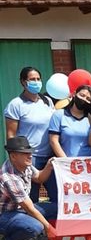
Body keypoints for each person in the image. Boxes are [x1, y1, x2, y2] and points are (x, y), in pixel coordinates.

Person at [4, 67, 56, 203]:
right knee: (30, 199)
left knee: (58, 196)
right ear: (23, 82)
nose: (36, 82)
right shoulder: (16, 105)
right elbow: (11, 135)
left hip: (49, 157)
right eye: (32, 79)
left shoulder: (47, 101)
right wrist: (16, 159)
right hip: (29, 159)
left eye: (38, 79)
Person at [0, 137, 57, 240]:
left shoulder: (25, 165)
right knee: (35, 226)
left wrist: (49, 165)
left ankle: (33, 237)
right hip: (5, 215)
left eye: (30, 152)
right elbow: (29, 208)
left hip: (21, 211)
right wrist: (48, 228)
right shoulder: (8, 177)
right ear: (13, 156)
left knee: (57, 208)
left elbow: (39, 178)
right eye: (25, 153)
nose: (30, 156)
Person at [49, 85, 91, 157]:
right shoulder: (59, 114)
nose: (84, 99)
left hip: (89, 164)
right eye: (82, 95)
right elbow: (54, 141)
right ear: (74, 94)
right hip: (67, 163)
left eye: (88, 99)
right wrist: (66, 162)